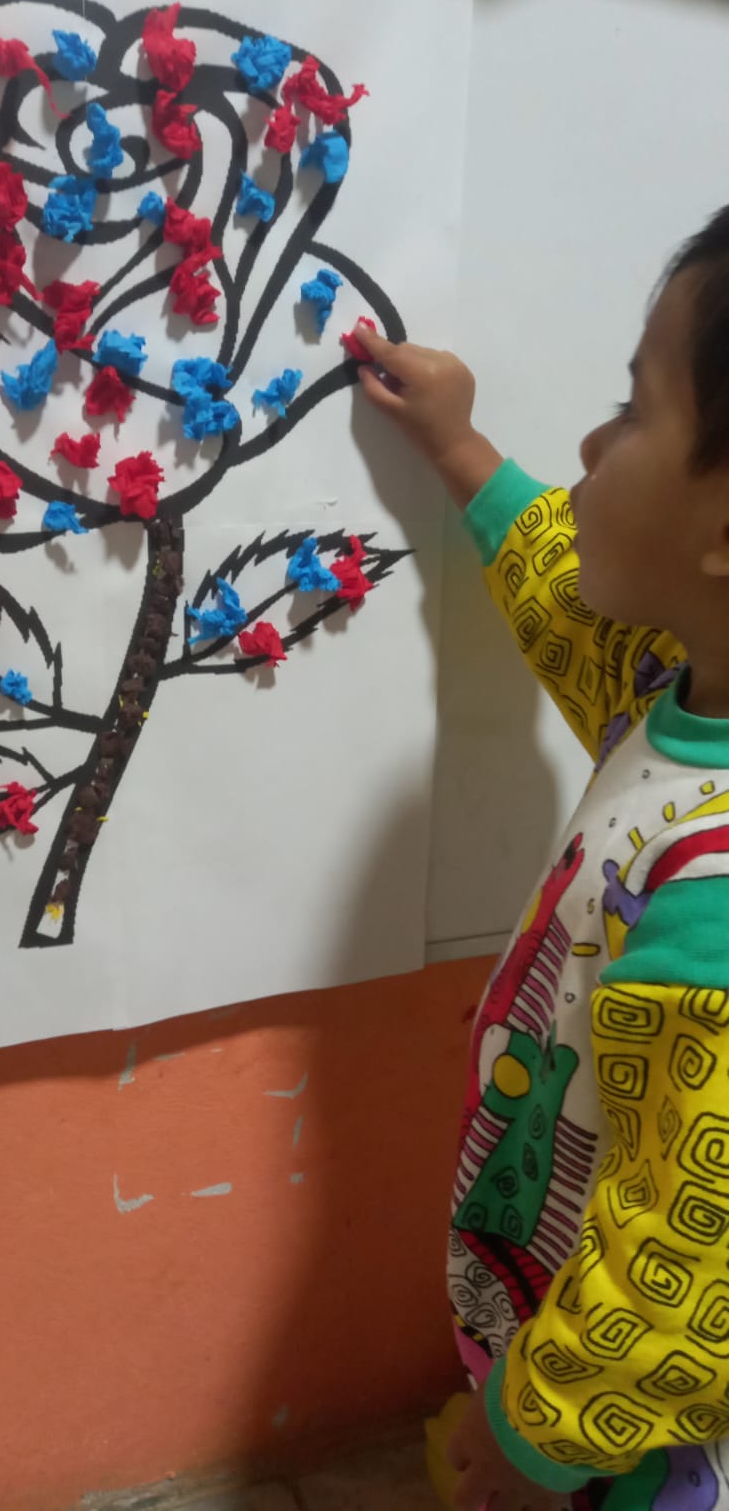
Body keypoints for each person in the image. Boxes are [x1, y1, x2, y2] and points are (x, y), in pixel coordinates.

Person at [357, 206, 729, 1511]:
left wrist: (532, 1442)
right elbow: (568, 598)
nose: (591, 445)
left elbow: (694, 1271)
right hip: (567, 1363)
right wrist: (461, 450)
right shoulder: (673, 688)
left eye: (633, 410)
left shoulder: (719, 909)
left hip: (633, 1443)